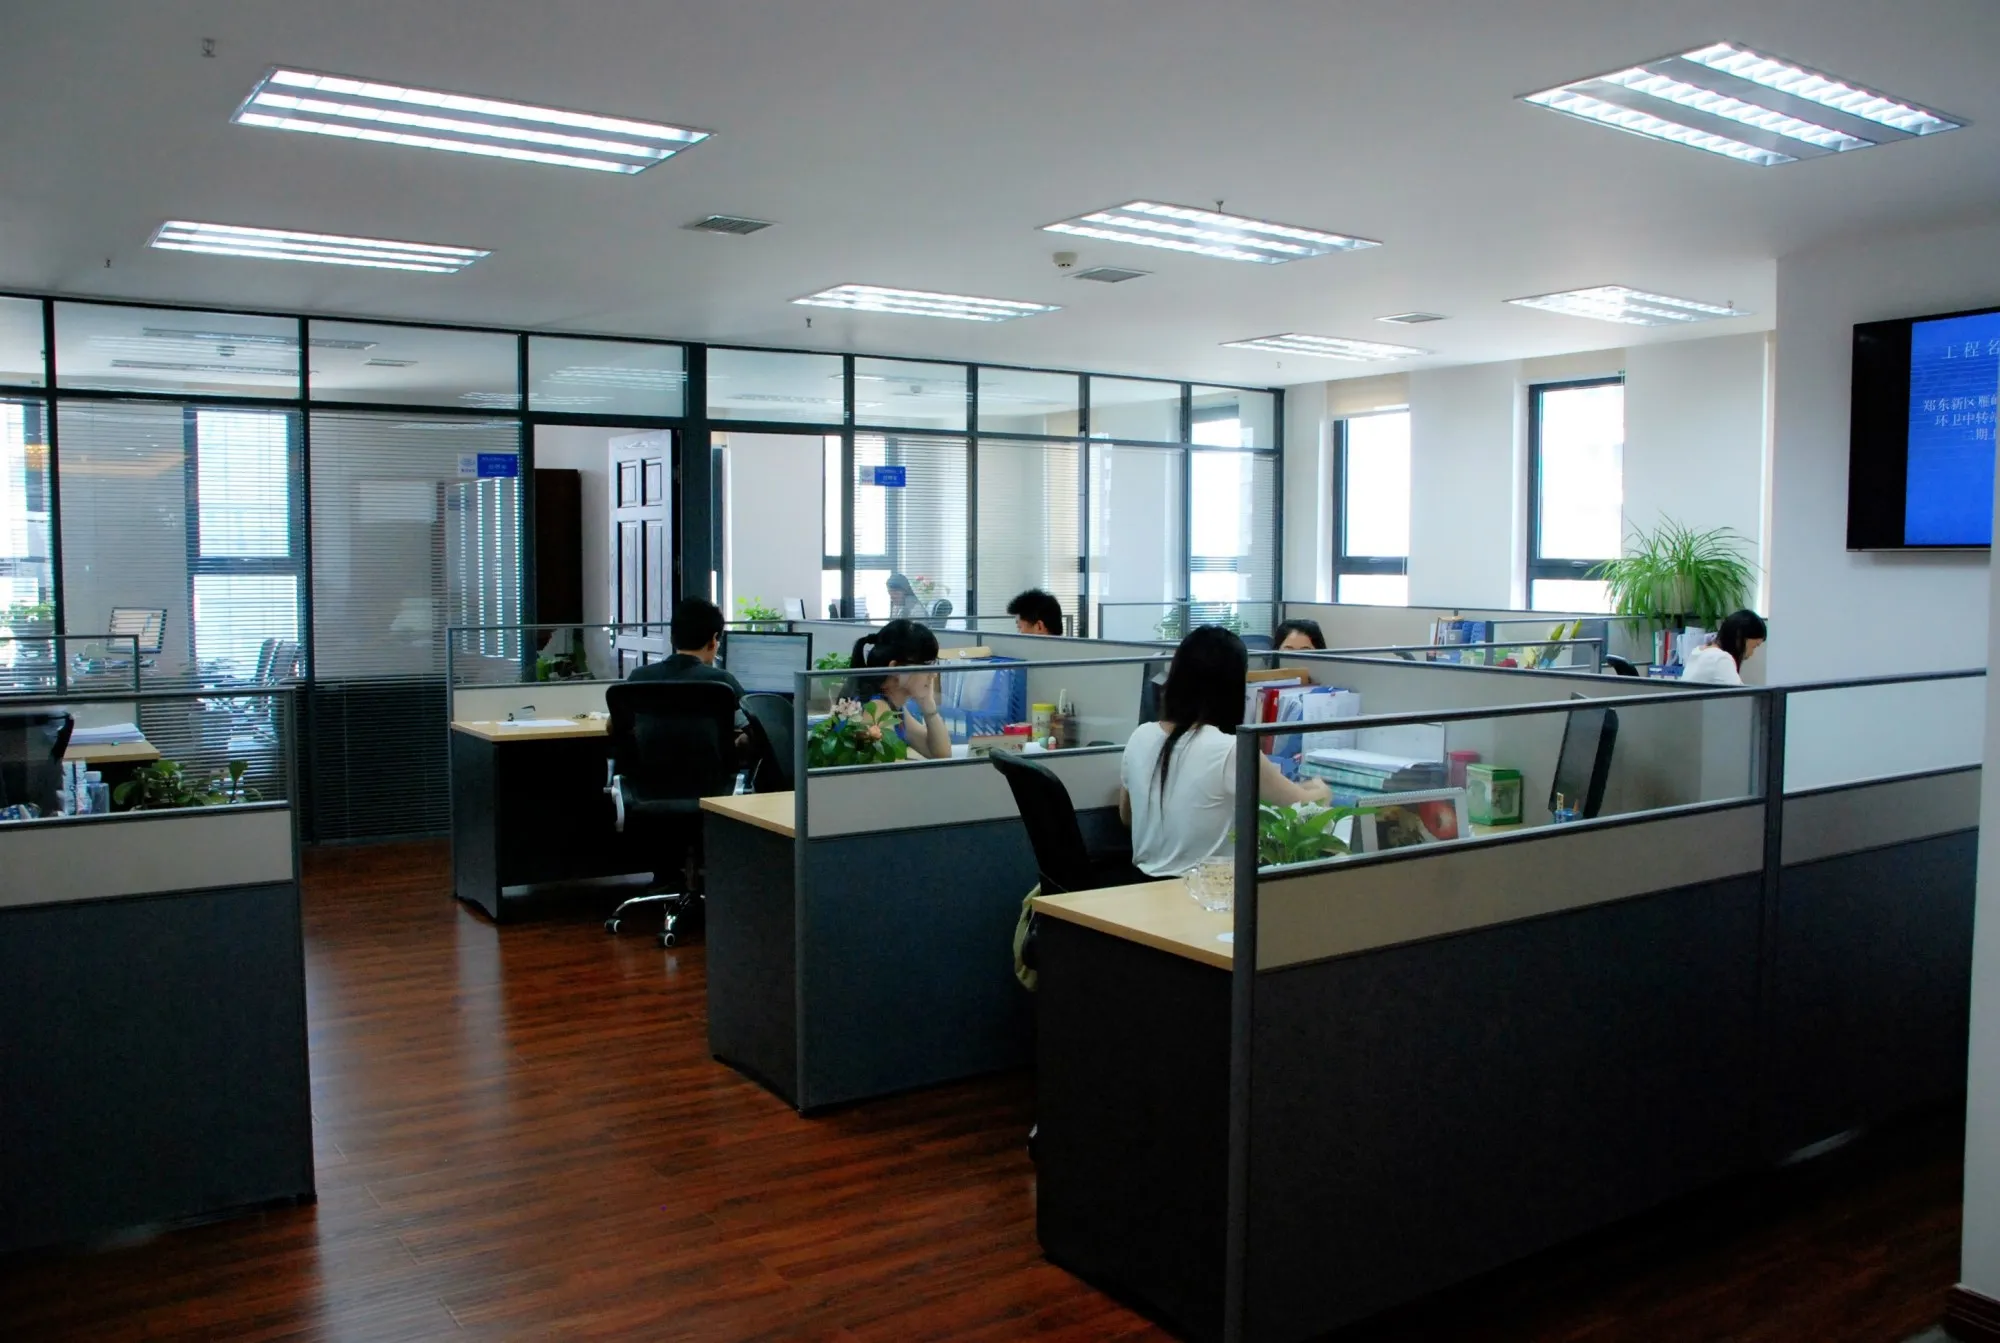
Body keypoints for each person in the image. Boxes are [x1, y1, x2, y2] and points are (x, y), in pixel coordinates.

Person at [1120, 626, 1331, 877]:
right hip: (1208, 891)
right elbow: (1303, 809)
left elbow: (1127, 816)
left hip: (1143, 887)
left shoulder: (1140, 736)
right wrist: (1321, 789)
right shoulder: (1231, 750)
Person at [850, 619, 952, 760]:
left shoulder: (892, 706)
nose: (933, 674)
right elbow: (890, 771)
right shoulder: (876, 709)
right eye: (926, 665)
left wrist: (928, 705)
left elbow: (941, 754)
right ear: (895, 669)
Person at [628, 597, 743, 695]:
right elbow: (749, 713)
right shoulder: (723, 683)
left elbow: (619, 715)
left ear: (672, 638)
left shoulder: (637, 679)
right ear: (713, 641)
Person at [1681, 610, 1768, 685]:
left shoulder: (1699, 651)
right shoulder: (1721, 659)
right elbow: (1739, 696)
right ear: (1739, 636)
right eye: (1754, 646)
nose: (1751, 654)